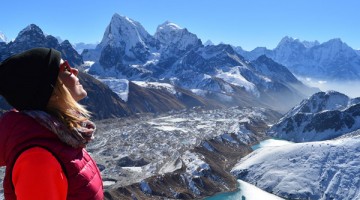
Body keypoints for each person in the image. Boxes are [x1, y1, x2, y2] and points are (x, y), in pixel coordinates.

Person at [0, 48, 104, 199]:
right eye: (66, 68)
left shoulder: (61, 136)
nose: (75, 70)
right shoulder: (38, 160)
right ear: (51, 89)